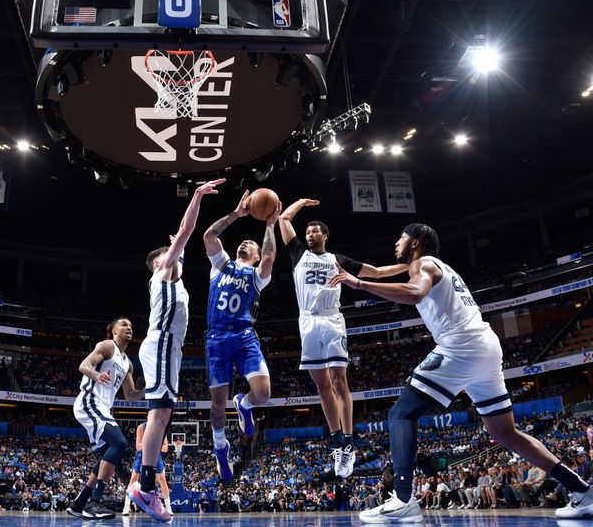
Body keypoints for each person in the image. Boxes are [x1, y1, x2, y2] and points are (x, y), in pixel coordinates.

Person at [327, 223, 593, 522]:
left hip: (460, 345)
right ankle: (582, 490)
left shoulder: (422, 263)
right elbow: (379, 271)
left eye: (400, 238)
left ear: (415, 242)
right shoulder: (441, 266)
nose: (395, 243)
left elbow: (415, 293)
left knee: (400, 414)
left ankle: (402, 499)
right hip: (486, 346)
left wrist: (358, 284)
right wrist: (355, 270)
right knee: (504, 432)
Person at [279, 200, 407, 478]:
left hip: (332, 319)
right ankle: (337, 441)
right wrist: (301, 202)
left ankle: (349, 442)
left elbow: (377, 272)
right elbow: (283, 220)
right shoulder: (298, 253)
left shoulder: (339, 260)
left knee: (338, 380)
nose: (310, 234)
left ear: (325, 236)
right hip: (307, 320)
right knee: (321, 385)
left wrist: (407, 266)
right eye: (308, 231)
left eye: (315, 231)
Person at [128, 178, 225, 522]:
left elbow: (179, 246)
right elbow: (186, 229)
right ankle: (147, 485)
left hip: (168, 347)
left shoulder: (173, 278)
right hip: (162, 344)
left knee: (163, 413)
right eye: (169, 256)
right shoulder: (165, 272)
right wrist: (197, 196)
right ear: (159, 263)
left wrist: (177, 248)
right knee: (160, 413)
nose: (174, 256)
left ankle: (148, 484)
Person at [202, 190, 280, 480]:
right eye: (243, 240)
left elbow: (270, 256)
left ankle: (244, 404)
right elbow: (210, 236)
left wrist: (270, 224)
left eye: (252, 242)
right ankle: (221, 450)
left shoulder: (258, 275)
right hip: (217, 339)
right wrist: (236, 214)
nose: (246, 241)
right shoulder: (219, 265)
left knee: (263, 393)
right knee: (217, 406)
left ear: (257, 255)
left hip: (245, 336)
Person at [67, 317, 144, 519]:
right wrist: (96, 375)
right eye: (124, 324)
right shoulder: (107, 346)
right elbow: (84, 365)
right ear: (113, 331)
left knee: (107, 454)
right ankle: (94, 503)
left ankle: (79, 503)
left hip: (103, 408)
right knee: (119, 443)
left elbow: (130, 395)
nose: (129, 327)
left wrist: (150, 389)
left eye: (131, 326)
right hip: (89, 401)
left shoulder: (127, 362)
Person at [122, 423, 170, 515]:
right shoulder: (142, 427)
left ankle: (168, 508)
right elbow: (138, 447)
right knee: (134, 478)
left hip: (155, 454)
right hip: (142, 455)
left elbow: (165, 448)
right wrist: (152, 443)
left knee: (162, 479)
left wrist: (153, 445)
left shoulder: (162, 428)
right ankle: (126, 507)